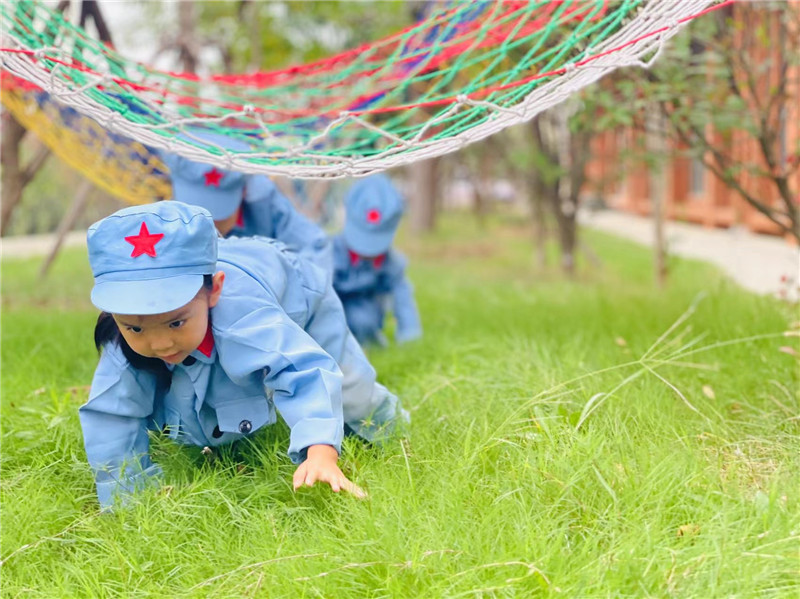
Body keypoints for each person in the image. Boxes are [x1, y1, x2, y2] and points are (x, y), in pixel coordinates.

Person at [81, 201, 406, 509]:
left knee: (351, 388)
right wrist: (128, 499)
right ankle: (224, 436)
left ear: (215, 291)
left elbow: (304, 370)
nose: (161, 343)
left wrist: (319, 451)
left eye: (175, 322)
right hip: (218, 299)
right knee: (191, 385)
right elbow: (110, 414)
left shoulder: (246, 319)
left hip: (300, 293)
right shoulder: (123, 337)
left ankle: (396, 431)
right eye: (135, 327)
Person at [159, 132, 332, 272]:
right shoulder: (160, 208)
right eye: (195, 211)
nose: (209, 224)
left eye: (218, 213)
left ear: (244, 192)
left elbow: (315, 247)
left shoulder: (263, 199)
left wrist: (277, 287)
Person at [332, 174, 422, 347]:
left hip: (367, 314)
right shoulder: (330, 255)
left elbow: (403, 299)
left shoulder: (390, 262)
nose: (367, 252)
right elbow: (321, 298)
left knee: (363, 319)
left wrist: (411, 336)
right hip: (335, 314)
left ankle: (368, 339)